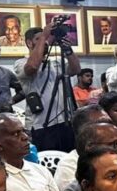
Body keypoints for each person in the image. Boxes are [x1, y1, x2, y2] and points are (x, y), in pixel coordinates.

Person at [15, 24, 81, 152]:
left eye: (45, 39)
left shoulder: (56, 61)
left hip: (65, 121)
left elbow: (76, 70)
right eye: (38, 39)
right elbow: (32, 67)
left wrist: (68, 50)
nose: (45, 42)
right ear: (29, 43)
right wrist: (45, 35)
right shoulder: (21, 63)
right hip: (41, 124)